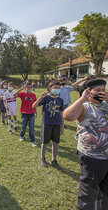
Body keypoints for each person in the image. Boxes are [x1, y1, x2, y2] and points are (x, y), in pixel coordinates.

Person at [63, 78, 108, 210]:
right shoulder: (85, 107)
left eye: (103, 90)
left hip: (107, 158)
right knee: (88, 194)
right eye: (98, 90)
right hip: (92, 157)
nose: (101, 93)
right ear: (89, 91)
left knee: (105, 194)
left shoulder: (106, 104)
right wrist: (83, 98)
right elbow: (67, 116)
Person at [32, 81, 64, 169]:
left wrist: (62, 125)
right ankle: (42, 158)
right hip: (47, 123)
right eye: (55, 88)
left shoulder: (60, 100)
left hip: (57, 123)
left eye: (58, 88)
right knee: (45, 142)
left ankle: (54, 159)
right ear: (50, 89)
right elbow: (34, 106)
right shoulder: (46, 98)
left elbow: (62, 114)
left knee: (56, 142)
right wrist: (40, 97)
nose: (57, 90)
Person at [13, 82, 37, 147]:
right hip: (24, 113)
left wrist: (35, 113)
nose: (29, 88)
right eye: (27, 87)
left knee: (31, 127)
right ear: (25, 88)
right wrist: (21, 88)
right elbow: (14, 94)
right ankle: (21, 136)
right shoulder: (22, 94)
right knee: (23, 126)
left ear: (32, 88)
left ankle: (32, 140)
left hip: (31, 113)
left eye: (30, 87)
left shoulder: (34, 95)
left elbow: (35, 105)